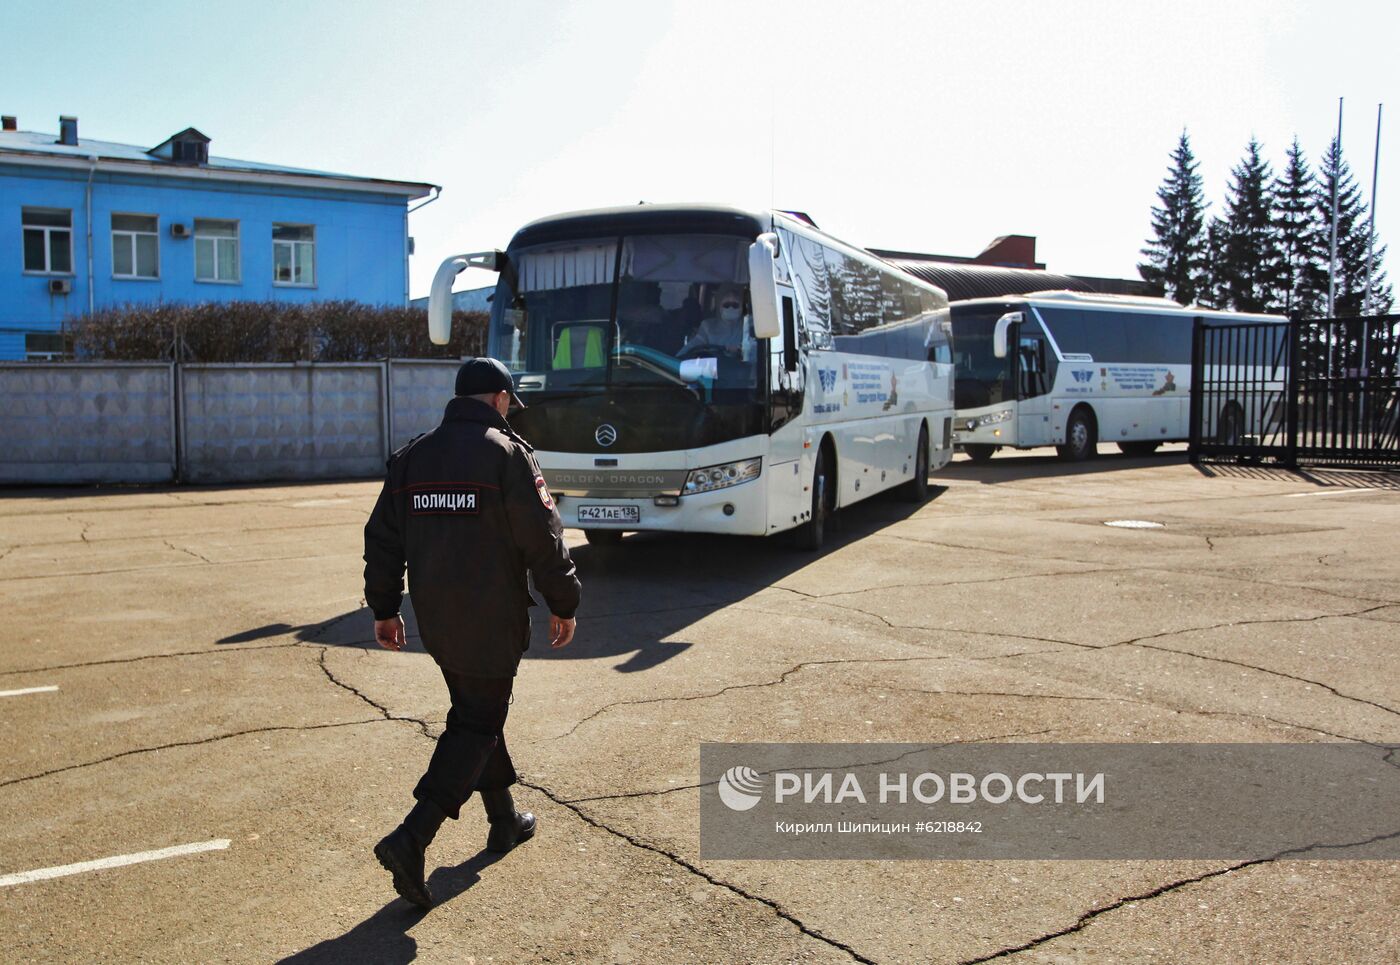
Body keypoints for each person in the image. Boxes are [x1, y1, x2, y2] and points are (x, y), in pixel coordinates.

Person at [362, 356, 581, 909]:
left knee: (476, 712)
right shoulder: (508, 454)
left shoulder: (413, 456)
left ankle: (503, 822)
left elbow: (382, 540)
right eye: (510, 403)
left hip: (435, 617)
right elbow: (544, 538)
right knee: (478, 720)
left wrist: (386, 609)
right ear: (500, 399)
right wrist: (564, 602)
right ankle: (412, 838)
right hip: (491, 616)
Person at [683, 285, 747, 357]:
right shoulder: (708, 327)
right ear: (720, 307)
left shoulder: (747, 327)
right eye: (727, 305)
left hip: (739, 367)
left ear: (741, 308)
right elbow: (692, 347)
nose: (730, 308)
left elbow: (754, 354)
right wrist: (676, 360)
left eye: (735, 305)